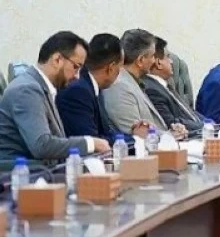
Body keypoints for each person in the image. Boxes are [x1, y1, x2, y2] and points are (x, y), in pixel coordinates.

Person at [0, 31, 110, 161]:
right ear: (57, 60)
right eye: (76, 67)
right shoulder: (27, 89)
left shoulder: (42, 87)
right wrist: (91, 143)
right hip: (20, 170)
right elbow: (42, 145)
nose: (77, 76)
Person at [103, 29, 186, 139]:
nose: (154, 61)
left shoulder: (134, 82)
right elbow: (136, 134)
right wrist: (169, 136)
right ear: (140, 60)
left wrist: (172, 131)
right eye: (152, 56)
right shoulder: (119, 87)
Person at [56, 33, 137, 144]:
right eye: (120, 68)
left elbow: (106, 133)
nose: (120, 74)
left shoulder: (93, 86)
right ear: (111, 68)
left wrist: (133, 135)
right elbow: (91, 142)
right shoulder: (78, 92)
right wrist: (136, 139)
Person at [145, 37, 203, 133]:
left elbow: (189, 112)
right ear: (158, 63)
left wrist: (210, 123)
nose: (171, 61)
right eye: (167, 57)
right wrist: (204, 126)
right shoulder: (152, 89)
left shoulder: (165, 84)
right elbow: (171, 123)